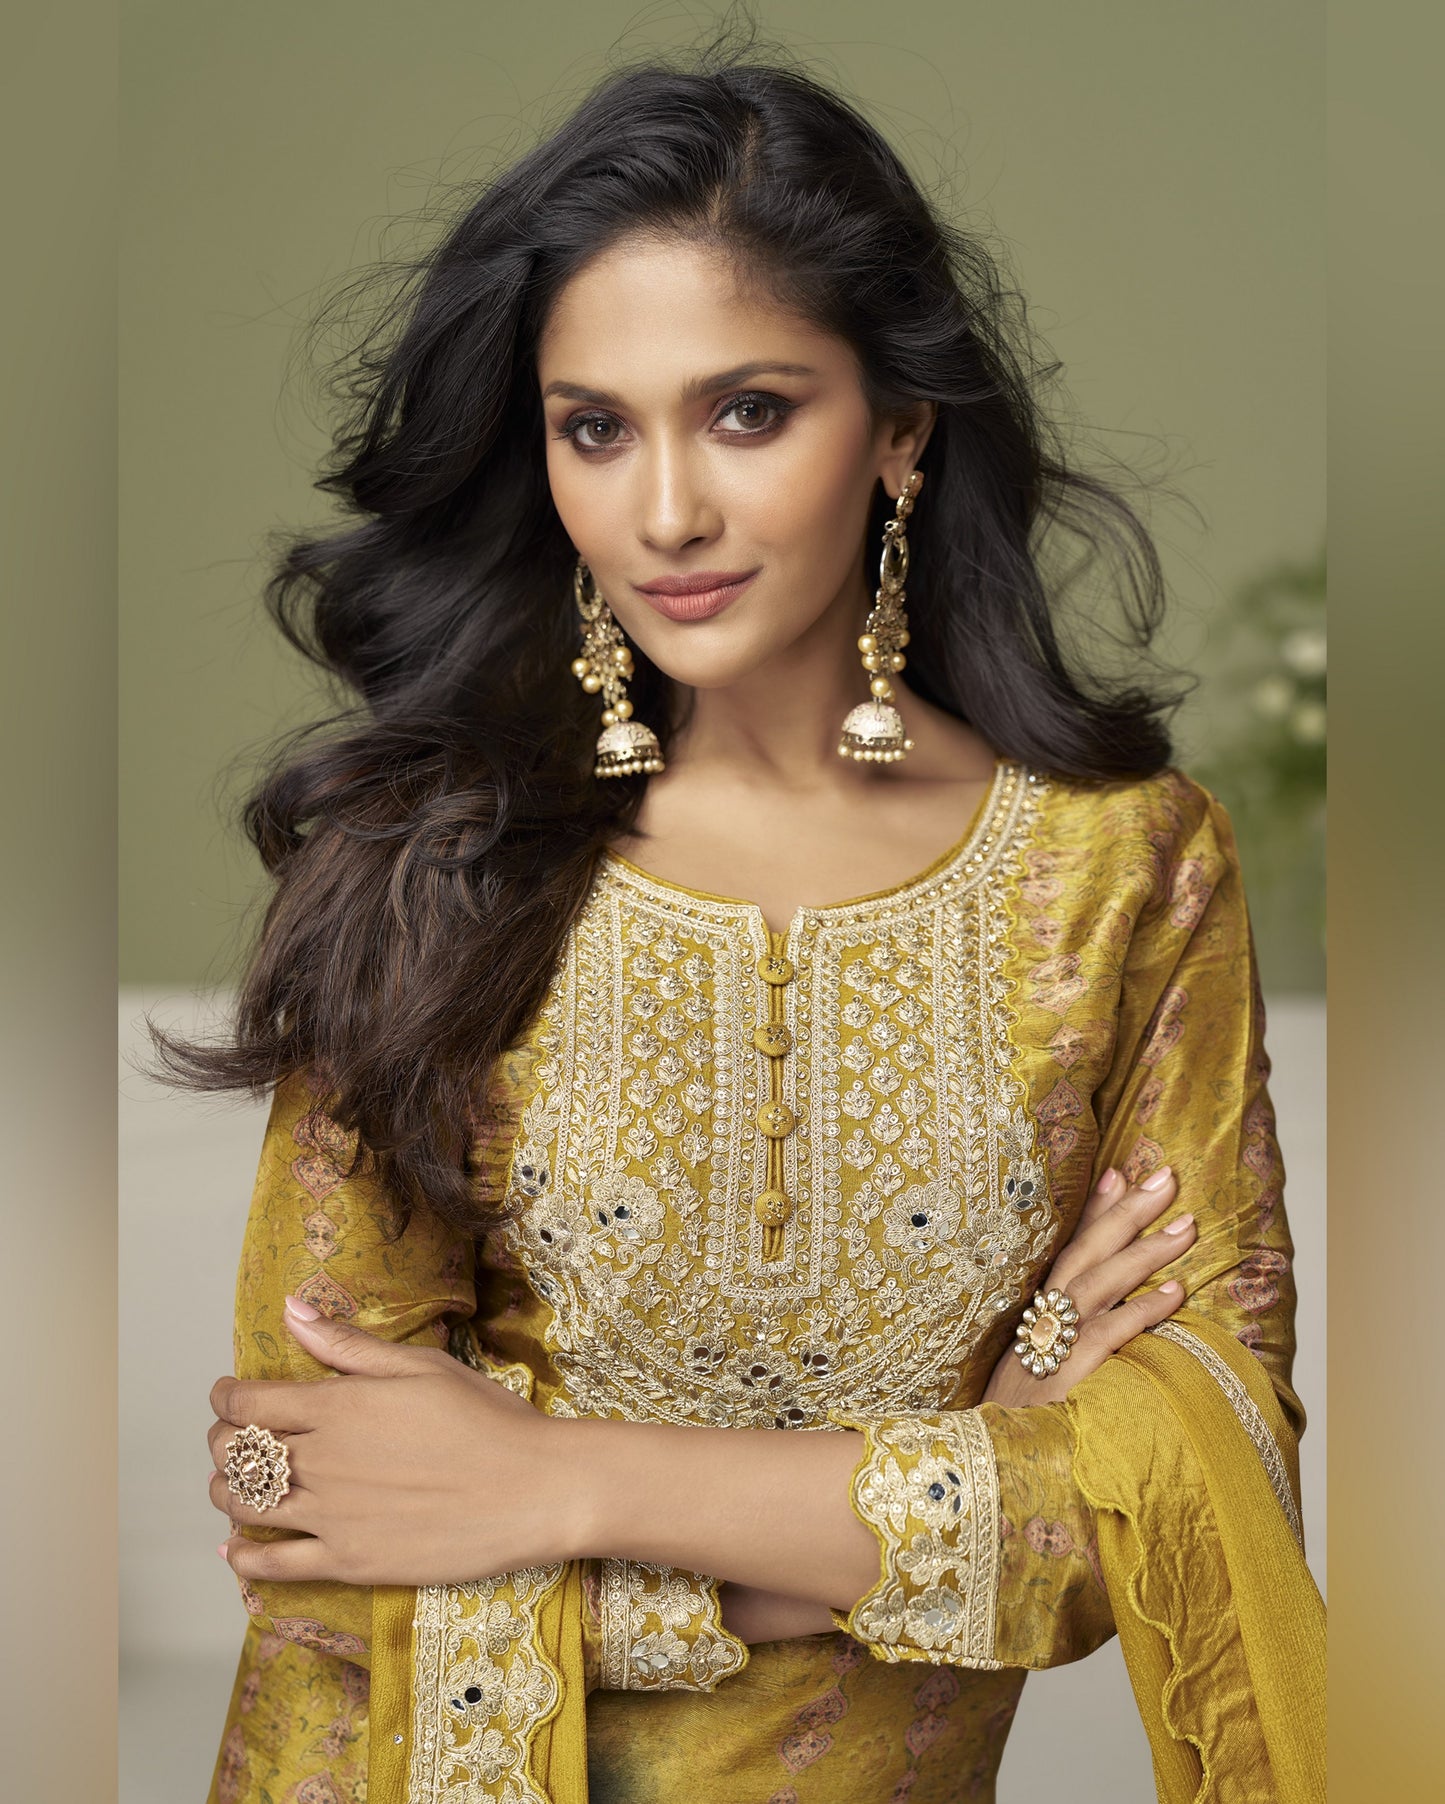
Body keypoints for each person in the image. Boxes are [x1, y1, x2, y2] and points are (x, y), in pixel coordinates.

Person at [152, 47, 1324, 1804]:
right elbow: (307, 1512)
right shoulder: (423, 866)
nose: (666, 511)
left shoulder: (1123, 875)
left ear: (902, 431)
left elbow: (1155, 1518)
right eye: (594, 427)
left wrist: (557, 1487)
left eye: (749, 411)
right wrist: (978, 1455)